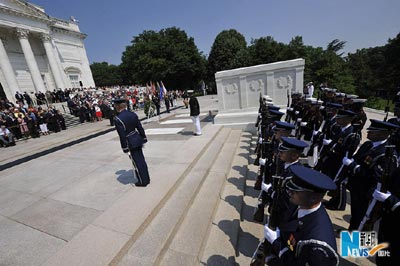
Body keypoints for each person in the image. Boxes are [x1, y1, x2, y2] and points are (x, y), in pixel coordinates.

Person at [263, 165, 339, 265]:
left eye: (295, 191)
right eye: (290, 188)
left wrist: (277, 244)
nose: (289, 192)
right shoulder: (300, 205)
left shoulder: (318, 248)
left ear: (313, 198)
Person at [114, 99, 150, 187]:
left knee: (136, 162)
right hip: (137, 138)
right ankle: (146, 178)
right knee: (141, 159)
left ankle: (142, 181)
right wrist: (143, 137)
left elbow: (122, 135)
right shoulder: (132, 114)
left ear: (118, 107)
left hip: (130, 141)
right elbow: (139, 127)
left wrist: (124, 148)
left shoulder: (118, 119)